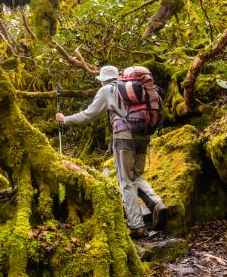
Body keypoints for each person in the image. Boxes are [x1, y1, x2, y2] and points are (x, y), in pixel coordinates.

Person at [55, 65, 167, 238]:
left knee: (125, 180)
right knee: (136, 176)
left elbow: (89, 115)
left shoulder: (107, 90)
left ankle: (136, 226)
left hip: (124, 136)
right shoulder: (137, 88)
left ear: (103, 80)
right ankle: (157, 204)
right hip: (143, 134)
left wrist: (65, 120)